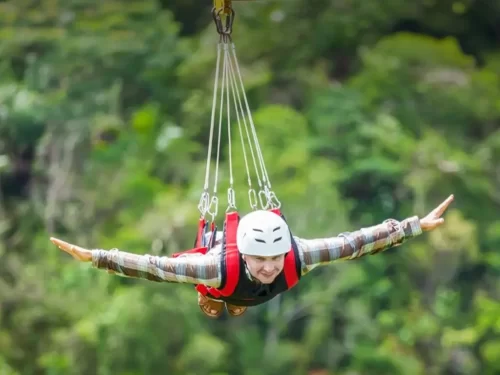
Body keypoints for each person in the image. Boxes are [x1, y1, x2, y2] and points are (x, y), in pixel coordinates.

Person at [50, 194, 454, 318]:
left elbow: (356, 242)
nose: (269, 267)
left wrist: (414, 225)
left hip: (236, 288)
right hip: (222, 285)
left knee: (328, 254)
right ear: (243, 255)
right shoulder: (213, 265)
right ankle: (214, 299)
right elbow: (156, 267)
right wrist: (97, 257)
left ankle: (227, 301)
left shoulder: (299, 256)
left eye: (275, 258)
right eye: (260, 260)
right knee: (213, 288)